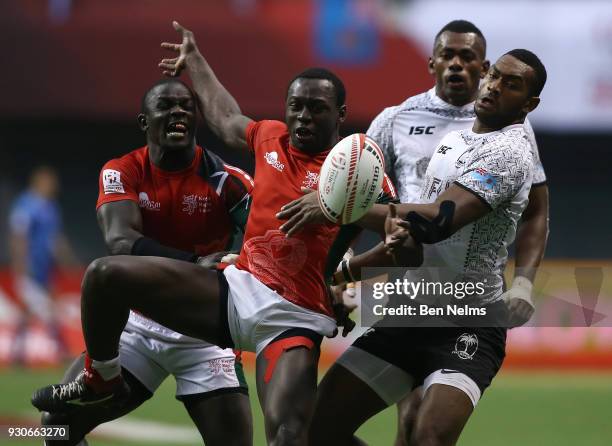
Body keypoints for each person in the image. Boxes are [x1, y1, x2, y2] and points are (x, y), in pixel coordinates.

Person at [31, 22, 397, 446]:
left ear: (340, 114)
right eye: (296, 105)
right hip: (236, 293)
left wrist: (340, 218)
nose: (303, 116)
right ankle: (102, 380)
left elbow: (402, 233)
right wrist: (196, 61)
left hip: (293, 317)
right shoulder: (271, 138)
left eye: (316, 107)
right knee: (102, 276)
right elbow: (224, 116)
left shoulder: (357, 171)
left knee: (289, 436)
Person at [304, 49, 548, 446]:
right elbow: (413, 237)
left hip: (467, 321)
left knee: (427, 437)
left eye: (512, 84)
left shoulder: (511, 153)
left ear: (529, 104)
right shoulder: (455, 141)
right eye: (496, 76)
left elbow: (436, 220)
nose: (495, 86)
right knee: (313, 431)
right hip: (408, 313)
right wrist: (346, 274)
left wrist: (343, 204)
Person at [41, 78, 254, 446]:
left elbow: (270, 234)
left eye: (187, 106)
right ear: (144, 122)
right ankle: (104, 374)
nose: (178, 112)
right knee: (56, 424)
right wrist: (196, 263)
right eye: (167, 106)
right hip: (139, 326)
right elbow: (120, 242)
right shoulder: (122, 171)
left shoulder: (227, 181)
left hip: (205, 335)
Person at [8, 166, 78, 362]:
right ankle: (63, 351)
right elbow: (18, 236)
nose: (54, 186)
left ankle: (16, 355)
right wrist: (20, 264)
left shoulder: (51, 207)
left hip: (45, 269)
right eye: (50, 182)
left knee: (27, 313)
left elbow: (55, 239)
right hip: (30, 268)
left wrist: (67, 261)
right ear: (39, 182)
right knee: (48, 310)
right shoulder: (26, 204)